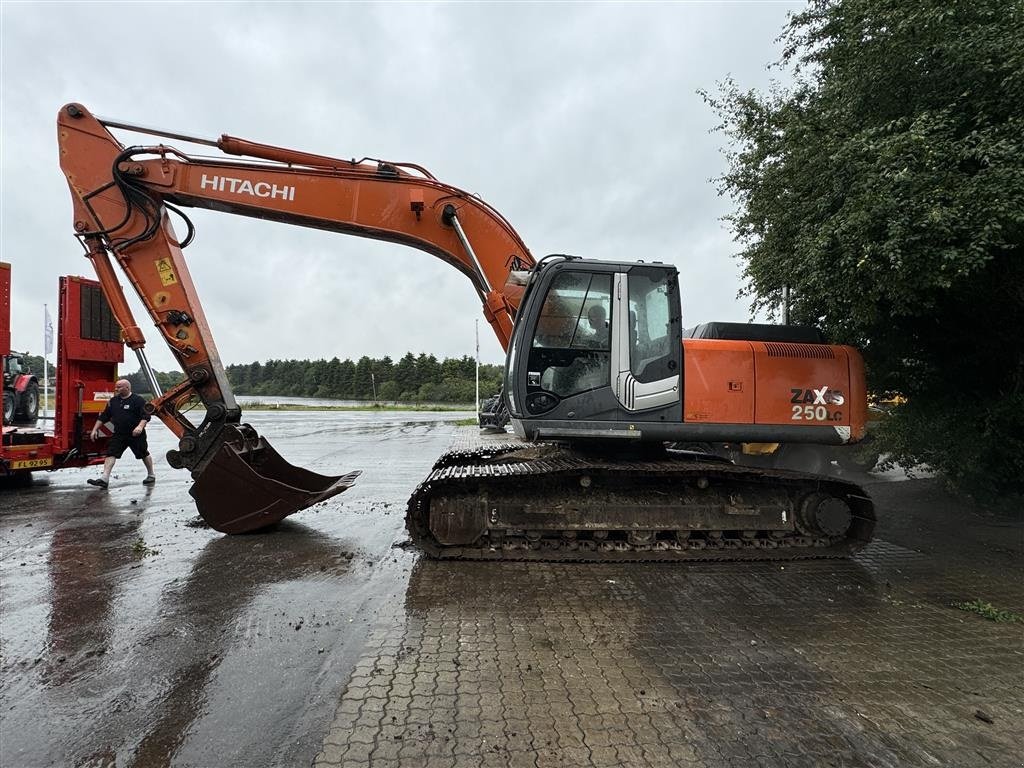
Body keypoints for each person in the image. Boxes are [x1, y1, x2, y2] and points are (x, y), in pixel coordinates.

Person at [87, 379, 155, 489]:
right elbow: (103, 417)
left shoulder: (138, 400)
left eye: (119, 387)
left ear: (127, 388)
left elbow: (146, 415)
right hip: (119, 434)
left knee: (143, 453)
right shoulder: (113, 401)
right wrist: (94, 430)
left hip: (135, 434)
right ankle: (104, 479)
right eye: (116, 386)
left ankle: (151, 474)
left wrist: (140, 427)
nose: (116, 389)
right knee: (111, 453)